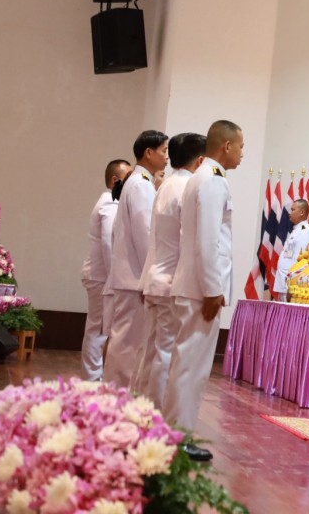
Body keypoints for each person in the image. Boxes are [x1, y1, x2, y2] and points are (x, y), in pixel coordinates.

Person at [165, 120, 244, 461]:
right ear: (226, 146)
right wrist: (213, 289)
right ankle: (178, 438)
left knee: (187, 364)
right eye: (241, 146)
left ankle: (174, 433)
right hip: (201, 290)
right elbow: (208, 241)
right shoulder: (212, 181)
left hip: (195, 286)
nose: (243, 153)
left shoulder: (203, 177)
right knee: (190, 367)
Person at [135, 132, 206, 407]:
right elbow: (188, 240)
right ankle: (156, 412)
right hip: (170, 281)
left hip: (156, 277)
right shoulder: (187, 188)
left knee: (152, 351)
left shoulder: (165, 184)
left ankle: (142, 406)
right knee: (165, 352)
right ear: (199, 160)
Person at [103, 130, 169, 388]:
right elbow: (146, 236)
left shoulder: (140, 182)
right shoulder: (141, 184)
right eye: (163, 151)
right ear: (148, 153)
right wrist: (150, 278)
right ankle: (116, 396)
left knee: (127, 341)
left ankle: (116, 394)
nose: (166, 157)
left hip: (131, 276)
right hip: (135, 278)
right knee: (128, 344)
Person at [80, 159, 131, 380]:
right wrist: (115, 277)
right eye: (127, 177)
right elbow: (109, 242)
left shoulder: (111, 202)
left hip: (101, 276)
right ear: (115, 180)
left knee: (99, 328)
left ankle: (93, 376)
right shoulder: (110, 202)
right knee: (98, 330)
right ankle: (92, 379)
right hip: (103, 276)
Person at [272, 199, 309, 302]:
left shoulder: (305, 232)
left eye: (293, 210)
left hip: (290, 286)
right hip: (284, 283)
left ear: (302, 212)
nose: (290, 213)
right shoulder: (298, 230)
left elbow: (301, 262)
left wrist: (293, 286)